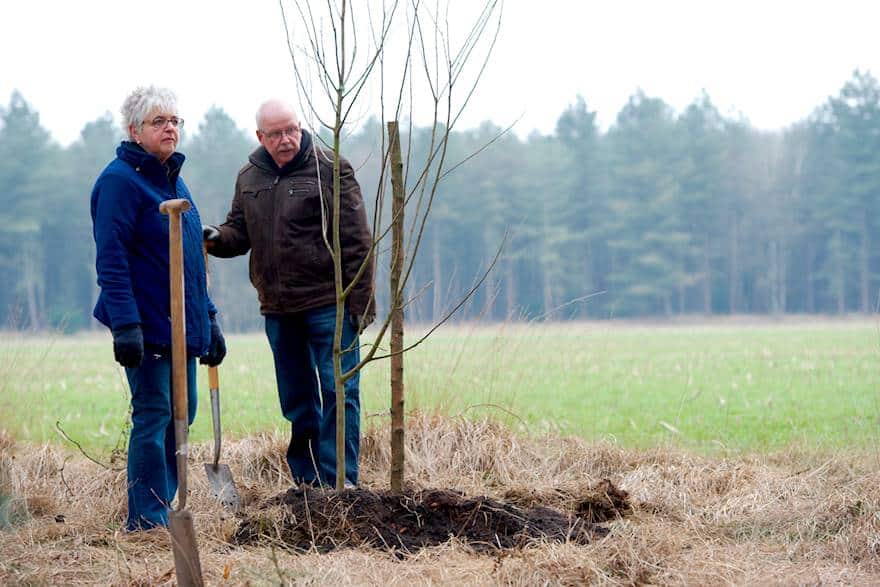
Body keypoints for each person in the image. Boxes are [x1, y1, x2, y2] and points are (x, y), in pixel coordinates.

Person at [204, 99, 374, 489]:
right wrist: (214, 237)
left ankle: (341, 484)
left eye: (292, 129)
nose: (287, 139)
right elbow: (239, 232)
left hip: (329, 304)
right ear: (260, 137)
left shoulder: (330, 169)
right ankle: (308, 483)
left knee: (340, 391)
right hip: (279, 310)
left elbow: (357, 239)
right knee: (298, 399)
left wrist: (362, 303)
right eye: (277, 133)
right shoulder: (249, 177)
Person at [90, 86, 226, 531]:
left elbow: (190, 259)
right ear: (134, 130)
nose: (170, 128)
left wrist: (208, 317)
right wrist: (126, 324)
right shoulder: (118, 182)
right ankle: (146, 520)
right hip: (146, 325)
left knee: (184, 412)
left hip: (182, 326)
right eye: (158, 122)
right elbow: (111, 259)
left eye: (174, 121)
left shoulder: (174, 180)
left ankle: (163, 504)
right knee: (154, 414)